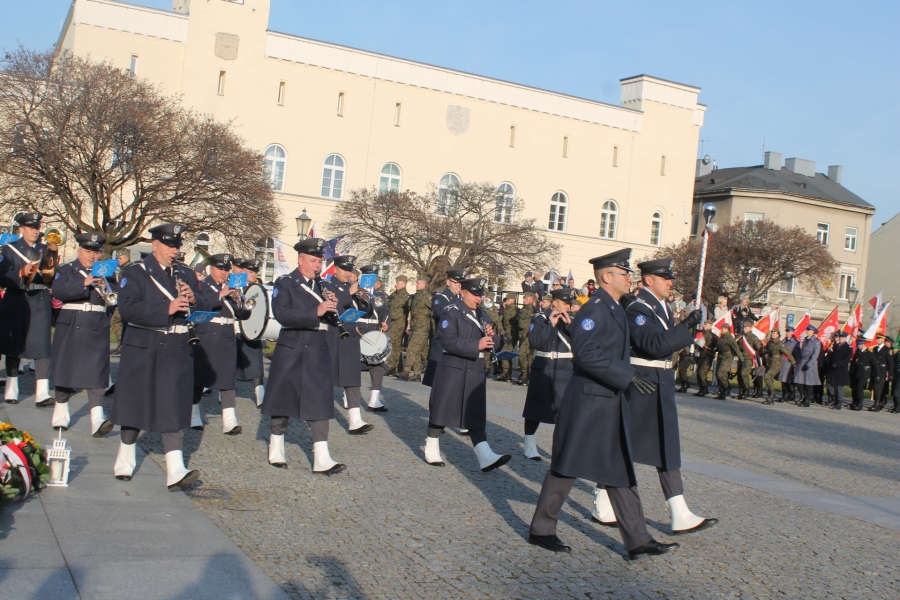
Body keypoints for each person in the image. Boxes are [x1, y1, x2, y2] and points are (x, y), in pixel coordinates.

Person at [529, 249, 677, 558]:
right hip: (589, 402)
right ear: (607, 277)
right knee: (566, 465)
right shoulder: (595, 309)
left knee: (619, 467)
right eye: (624, 274)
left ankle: (638, 539)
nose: (630, 279)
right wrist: (628, 375)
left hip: (608, 399)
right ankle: (541, 529)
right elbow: (586, 354)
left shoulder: (614, 308)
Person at [593, 258, 713, 536]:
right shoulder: (638, 309)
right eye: (665, 278)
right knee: (625, 445)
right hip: (642, 384)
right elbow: (653, 345)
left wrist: (684, 327)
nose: (671, 283)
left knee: (666, 446)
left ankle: (679, 511)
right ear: (649, 280)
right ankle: (602, 499)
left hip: (661, 382)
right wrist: (685, 328)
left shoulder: (661, 308)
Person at [110, 223, 211, 489]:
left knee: (174, 403)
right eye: (170, 245)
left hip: (177, 345)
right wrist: (166, 308)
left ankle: (175, 468)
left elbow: (205, 303)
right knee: (135, 402)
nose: (175, 250)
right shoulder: (136, 271)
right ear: (155, 245)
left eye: (177, 246)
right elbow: (127, 308)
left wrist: (193, 300)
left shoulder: (185, 273)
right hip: (145, 344)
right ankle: (125, 455)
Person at [261, 238, 345, 473]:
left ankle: (322, 457)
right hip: (293, 348)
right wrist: (316, 310)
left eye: (319, 261)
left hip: (318, 347)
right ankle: (276, 445)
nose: (317, 265)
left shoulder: (322, 285)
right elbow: (282, 314)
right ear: (300, 260)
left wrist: (333, 306)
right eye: (313, 261)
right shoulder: (286, 282)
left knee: (320, 400)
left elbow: (330, 316)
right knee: (283, 399)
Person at [423, 277, 509, 471]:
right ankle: (431, 446)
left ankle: (485, 455)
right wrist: (476, 344)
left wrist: (492, 337)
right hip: (453, 367)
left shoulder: (483, 315)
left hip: (475, 368)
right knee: (442, 408)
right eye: (475, 294)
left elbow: (492, 344)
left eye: (481, 295)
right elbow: (448, 341)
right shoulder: (451, 311)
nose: (479, 298)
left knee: (474, 412)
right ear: (463, 293)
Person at [47, 232, 116, 436]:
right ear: (79, 251)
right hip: (72, 323)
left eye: (96, 252)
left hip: (97, 323)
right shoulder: (67, 269)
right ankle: (61, 412)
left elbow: (116, 298)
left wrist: (106, 287)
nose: (92, 256)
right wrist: (84, 283)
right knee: (64, 368)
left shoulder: (107, 273)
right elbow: (59, 291)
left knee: (97, 371)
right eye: (88, 251)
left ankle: (97, 419)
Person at [0, 212, 58, 406]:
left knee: (42, 345)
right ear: (21, 229)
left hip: (39, 298)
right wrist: (19, 272)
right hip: (16, 299)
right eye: (31, 227)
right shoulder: (9, 249)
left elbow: (52, 275)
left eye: (37, 227)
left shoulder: (45, 249)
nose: (35, 231)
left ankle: (42, 392)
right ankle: (11, 388)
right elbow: (1, 276)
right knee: (14, 345)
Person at [190, 253, 250, 434]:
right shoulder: (201, 285)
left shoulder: (233, 288)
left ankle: (229, 421)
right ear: (211, 268)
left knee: (227, 379)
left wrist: (242, 303)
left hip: (226, 336)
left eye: (226, 270)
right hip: (207, 335)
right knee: (199, 378)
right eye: (220, 269)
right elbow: (198, 304)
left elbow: (242, 315)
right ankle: (193, 415)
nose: (224, 273)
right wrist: (221, 294)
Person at [321, 255, 374, 434]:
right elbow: (333, 304)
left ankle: (355, 420)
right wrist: (349, 293)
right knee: (326, 377)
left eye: (350, 270)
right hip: (333, 335)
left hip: (351, 337)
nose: (348, 273)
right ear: (335, 269)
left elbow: (366, 311)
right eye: (345, 270)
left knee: (352, 378)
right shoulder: (327, 284)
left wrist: (364, 299)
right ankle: (318, 413)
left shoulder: (350, 287)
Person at [522, 287, 575, 460]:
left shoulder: (573, 321)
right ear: (555, 302)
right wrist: (550, 325)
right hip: (543, 367)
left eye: (570, 303)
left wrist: (570, 325)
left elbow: (582, 342)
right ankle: (529, 443)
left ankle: (561, 449)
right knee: (535, 408)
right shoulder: (539, 318)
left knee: (565, 411)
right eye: (565, 303)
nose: (568, 306)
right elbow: (536, 341)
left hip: (564, 369)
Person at [422, 268, 466, 386]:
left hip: (459, 342)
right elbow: (438, 312)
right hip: (443, 342)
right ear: (448, 282)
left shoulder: (462, 299)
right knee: (439, 382)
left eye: (461, 283)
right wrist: (459, 304)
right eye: (456, 283)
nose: (459, 286)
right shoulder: (440, 297)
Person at [232, 258, 266, 406]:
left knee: (256, 362)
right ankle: (224, 394)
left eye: (255, 272)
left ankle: (260, 394)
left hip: (251, 329)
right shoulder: (233, 285)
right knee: (229, 364)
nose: (254, 274)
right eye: (251, 271)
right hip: (234, 328)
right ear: (243, 271)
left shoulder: (257, 289)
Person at [356, 265, 390, 412]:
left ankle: (374, 399)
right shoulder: (355, 292)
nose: (373, 280)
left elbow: (385, 311)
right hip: (359, 330)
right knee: (355, 365)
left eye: (375, 277)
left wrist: (385, 322)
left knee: (378, 365)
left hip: (375, 331)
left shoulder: (379, 295)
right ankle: (348, 396)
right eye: (371, 276)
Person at [400, 276, 431, 381]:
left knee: (412, 348)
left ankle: (406, 370)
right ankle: (417, 373)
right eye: (416, 283)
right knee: (416, 351)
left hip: (422, 328)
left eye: (418, 283)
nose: (416, 285)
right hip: (414, 326)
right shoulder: (415, 296)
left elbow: (434, 310)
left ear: (424, 284)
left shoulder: (427, 297)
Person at [385, 275, 410, 375]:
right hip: (391, 321)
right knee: (396, 344)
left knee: (390, 340)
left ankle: (391, 365)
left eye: (398, 283)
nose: (396, 285)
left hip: (399, 322)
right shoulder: (394, 294)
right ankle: (397, 366)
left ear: (404, 284)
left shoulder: (406, 296)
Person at [762, 330, 795, 404]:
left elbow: (787, 353)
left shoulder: (780, 344)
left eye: (774, 333)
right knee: (769, 379)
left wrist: (793, 362)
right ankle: (770, 397)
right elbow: (765, 351)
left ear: (778, 335)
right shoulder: (770, 342)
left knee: (767, 377)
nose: (772, 334)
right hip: (769, 362)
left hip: (776, 363)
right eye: (772, 333)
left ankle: (772, 394)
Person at [793, 325, 822, 407]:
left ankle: (807, 400)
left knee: (808, 383)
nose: (807, 331)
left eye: (808, 330)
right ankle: (803, 396)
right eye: (807, 330)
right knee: (798, 381)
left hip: (810, 365)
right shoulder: (806, 339)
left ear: (812, 332)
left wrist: (809, 364)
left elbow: (815, 355)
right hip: (802, 362)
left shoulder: (816, 342)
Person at [735, 322, 762, 400]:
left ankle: (746, 390)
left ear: (750, 328)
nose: (744, 329)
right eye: (744, 327)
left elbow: (758, 347)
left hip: (749, 358)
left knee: (744, 374)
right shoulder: (741, 336)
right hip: (741, 358)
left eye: (746, 327)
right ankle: (741, 390)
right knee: (739, 375)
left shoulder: (753, 337)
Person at [825, 330, 851, 410]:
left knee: (839, 387)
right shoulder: (836, 346)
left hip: (841, 370)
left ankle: (839, 402)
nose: (840, 338)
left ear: (845, 338)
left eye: (842, 337)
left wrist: (838, 364)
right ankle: (834, 398)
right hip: (833, 369)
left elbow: (847, 359)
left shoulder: (848, 348)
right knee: (829, 384)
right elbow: (834, 356)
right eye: (840, 337)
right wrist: (830, 353)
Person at [868, 334, 893, 412]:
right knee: (874, 387)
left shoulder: (886, 349)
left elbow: (890, 362)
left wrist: (890, 374)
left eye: (878, 339)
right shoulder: (875, 348)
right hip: (875, 370)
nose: (877, 340)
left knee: (877, 387)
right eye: (877, 339)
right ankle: (877, 402)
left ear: (882, 340)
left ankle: (877, 403)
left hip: (882, 371)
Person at [498, 293, 519, 382]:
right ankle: (508, 373)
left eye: (508, 300)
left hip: (512, 335)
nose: (506, 301)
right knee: (507, 353)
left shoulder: (516, 310)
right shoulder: (506, 310)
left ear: (513, 300)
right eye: (506, 300)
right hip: (506, 334)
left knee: (504, 352)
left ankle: (505, 373)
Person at [516, 292, 536, 385]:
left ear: (532, 299)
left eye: (526, 298)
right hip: (521, 333)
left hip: (528, 334)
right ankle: (526, 375)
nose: (524, 300)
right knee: (528, 356)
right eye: (524, 298)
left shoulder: (534, 310)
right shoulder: (523, 309)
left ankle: (525, 375)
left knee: (522, 353)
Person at [693, 320, 717, 397]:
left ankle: (704, 388)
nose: (705, 325)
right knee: (698, 373)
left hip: (708, 357)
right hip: (701, 355)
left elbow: (717, 345)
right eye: (704, 324)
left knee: (702, 373)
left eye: (706, 324)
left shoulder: (713, 336)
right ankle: (702, 389)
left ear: (710, 325)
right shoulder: (701, 333)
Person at [849, 340, 873, 411]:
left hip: (864, 373)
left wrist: (876, 374)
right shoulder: (858, 352)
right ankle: (855, 402)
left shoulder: (869, 353)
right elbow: (854, 362)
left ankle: (860, 403)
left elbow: (874, 364)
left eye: (858, 346)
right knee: (855, 388)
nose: (857, 347)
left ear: (862, 345)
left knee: (859, 388)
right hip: (856, 373)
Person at [778, 327, 799, 402]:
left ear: (792, 332)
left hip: (789, 363)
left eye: (788, 331)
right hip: (782, 362)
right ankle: (785, 394)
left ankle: (790, 394)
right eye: (786, 331)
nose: (786, 333)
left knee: (787, 380)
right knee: (782, 380)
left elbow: (796, 355)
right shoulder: (784, 340)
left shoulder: (795, 342)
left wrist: (794, 364)